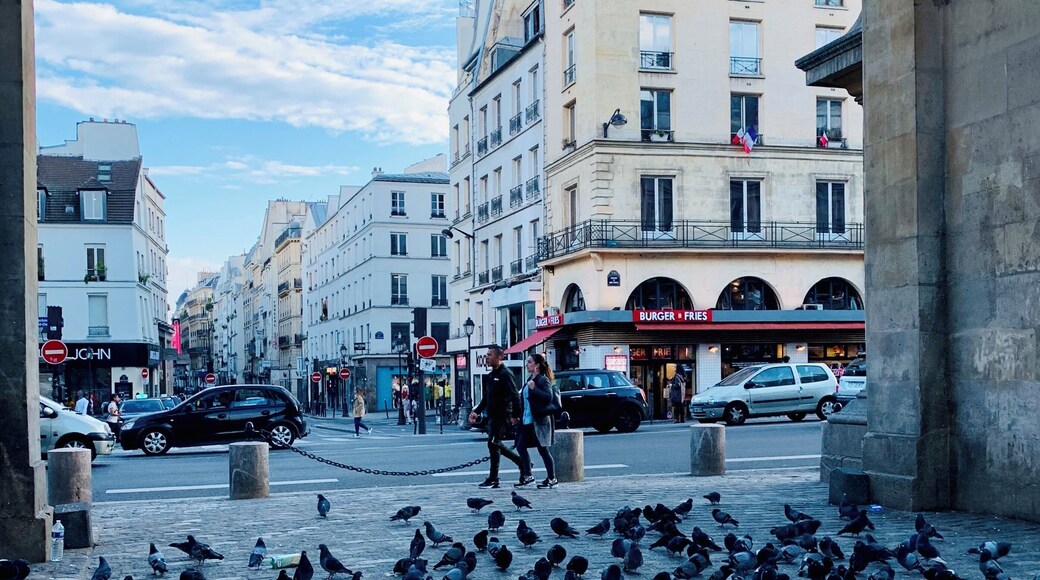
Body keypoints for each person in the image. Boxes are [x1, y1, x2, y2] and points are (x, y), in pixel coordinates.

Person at [468, 345, 524, 489]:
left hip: (503, 415)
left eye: (490, 355)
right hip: (492, 416)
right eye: (486, 355)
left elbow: (515, 395)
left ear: (499, 357)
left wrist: (515, 415)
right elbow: (486, 397)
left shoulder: (505, 374)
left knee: (493, 443)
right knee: (493, 445)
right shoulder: (491, 375)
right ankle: (495, 478)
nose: (487, 357)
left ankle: (519, 464)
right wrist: (477, 411)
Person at [515, 353, 558, 489]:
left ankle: (552, 478)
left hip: (538, 420)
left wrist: (534, 389)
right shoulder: (530, 379)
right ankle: (528, 476)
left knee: (543, 449)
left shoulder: (542, 380)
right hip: (526, 420)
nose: (527, 364)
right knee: (520, 446)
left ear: (537, 365)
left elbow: (548, 397)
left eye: (529, 362)